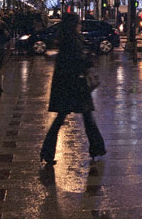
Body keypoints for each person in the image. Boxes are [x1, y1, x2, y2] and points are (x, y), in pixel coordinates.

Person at [40, 14, 106, 166]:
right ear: (73, 25)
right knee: (86, 117)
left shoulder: (67, 38)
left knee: (67, 118)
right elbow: (76, 60)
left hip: (68, 85)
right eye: (78, 23)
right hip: (74, 84)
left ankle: (47, 152)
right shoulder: (72, 40)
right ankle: (96, 148)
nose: (80, 26)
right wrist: (87, 62)